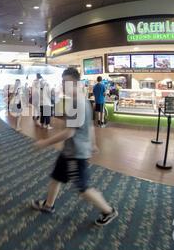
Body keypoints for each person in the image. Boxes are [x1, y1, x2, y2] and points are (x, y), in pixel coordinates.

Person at [32, 67, 118, 227]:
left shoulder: (77, 103)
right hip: (70, 151)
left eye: (65, 82)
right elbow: (89, 126)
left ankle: (108, 210)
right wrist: (93, 143)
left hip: (75, 153)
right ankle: (48, 205)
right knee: (57, 177)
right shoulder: (82, 100)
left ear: (74, 83)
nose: (62, 85)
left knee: (83, 188)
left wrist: (45, 143)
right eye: (62, 82)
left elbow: (69, 133)